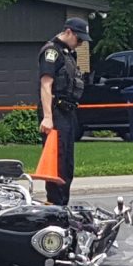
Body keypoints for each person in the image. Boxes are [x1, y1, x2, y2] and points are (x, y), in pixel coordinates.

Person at [37, 17, 91, 205]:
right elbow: (46, 85)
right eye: (79, 39)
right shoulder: (51, 52)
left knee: (67, 166)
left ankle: (62, 205)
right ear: (68, 32)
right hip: (55, 112)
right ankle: (54, 208)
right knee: (57, 165)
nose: (81, 44)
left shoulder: (69, 53)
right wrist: (48, 117)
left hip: (68, 113)